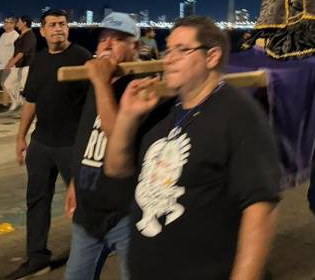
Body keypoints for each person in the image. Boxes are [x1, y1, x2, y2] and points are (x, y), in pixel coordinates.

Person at [104, 16, 281, 280]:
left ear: (212, 57)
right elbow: (116, 169)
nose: (169, 58)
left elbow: (261, 208)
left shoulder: (239, 115)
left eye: (182, 50)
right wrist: (128, 117)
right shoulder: (165, 111)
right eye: (168, 48)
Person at [5, 10, 92, 280]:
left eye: (62, 24)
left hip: (72, 145)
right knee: (37, 201)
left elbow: (96, 102)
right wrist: (22, 136)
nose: (58, 29)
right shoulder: (40, 61)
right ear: (42, 31)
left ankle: (92, 251)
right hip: (41, 143)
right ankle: (37, 257)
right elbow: (31, 100)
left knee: (83, 204)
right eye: (52, 25)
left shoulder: (82, 58)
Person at [64, 12, 141, 280]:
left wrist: (100, 83)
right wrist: (76, 181)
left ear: (136, 48)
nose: (106, 45)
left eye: (118, 39)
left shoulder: (141, 87)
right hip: (87, 215)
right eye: (103, 39)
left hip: (126, 215)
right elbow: (87, 135)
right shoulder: (96, 83)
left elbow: (116, 134)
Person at [4, 15, 37, 111]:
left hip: (27, 66)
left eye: (19, 22)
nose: (17, 24)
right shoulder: (21, 35)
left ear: (24, 23)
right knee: (8, 84)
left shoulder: (30, 36)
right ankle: (18, 101)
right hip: (18, 66)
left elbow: (21, 53)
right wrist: (10, 62)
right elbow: (16, 52)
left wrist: (11, 64)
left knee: (27, 89)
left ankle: (34, 111)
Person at [0, 17, 19, 108]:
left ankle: (5, 104)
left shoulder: (15, 36)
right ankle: (17, 101)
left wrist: (10, 63)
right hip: (1, 65)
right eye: (4, 22)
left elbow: (16, 52)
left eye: (7, 22)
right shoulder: (3, 35)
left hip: (10, 65)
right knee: (4, 85)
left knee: (5, 84)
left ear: (13, 24)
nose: (5, 24)